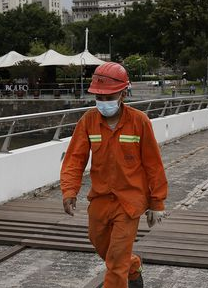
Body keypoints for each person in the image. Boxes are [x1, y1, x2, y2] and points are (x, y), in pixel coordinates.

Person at [61, 62, 168, 288]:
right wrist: (69, 191)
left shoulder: (139, 122)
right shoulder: (88, 122)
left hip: (129, 202)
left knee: (116, 260)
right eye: (99, 98)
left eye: (109, 97)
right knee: (102, 245)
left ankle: (121, 273)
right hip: (100, 199)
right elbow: (74, 159)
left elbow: (153, 165)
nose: (104, 103)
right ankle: (133, 265)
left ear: (122, 94)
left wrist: (157, 202)